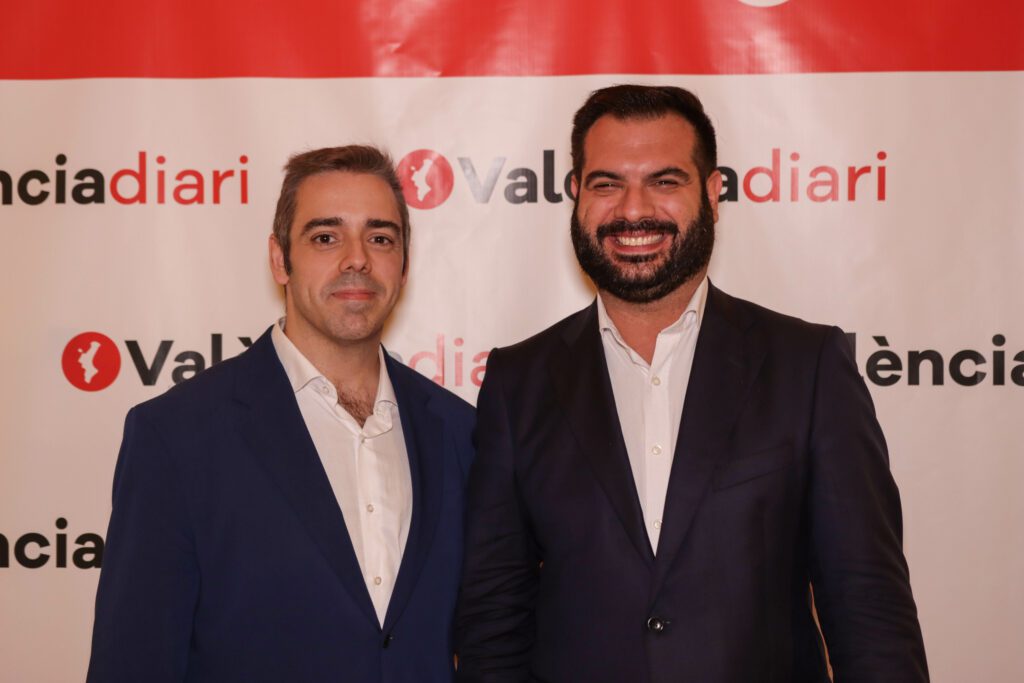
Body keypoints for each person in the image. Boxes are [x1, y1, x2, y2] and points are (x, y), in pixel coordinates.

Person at [454, 85, 928, 682]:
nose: (633, 210)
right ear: (576, 194)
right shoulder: (518, 382)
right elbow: (493, 619)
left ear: (712, 193)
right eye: (607, 184)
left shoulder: (807, 368)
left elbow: (869, 607)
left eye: (664, 181)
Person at [88, 146, 475, 683]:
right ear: (279, 259)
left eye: (381, 238)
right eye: (326, 237)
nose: (357, 259)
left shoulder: (461, 432)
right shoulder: (176, 437)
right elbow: (133, 663)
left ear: (404, 264)